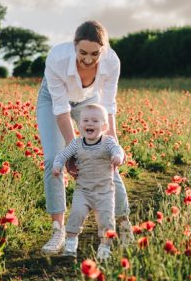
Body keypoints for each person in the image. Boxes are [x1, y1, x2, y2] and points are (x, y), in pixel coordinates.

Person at [37, 20, 133, 256]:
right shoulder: (57, 59)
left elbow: (109, 105)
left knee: (107, 157)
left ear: (104, 49)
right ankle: (58, 229)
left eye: (94, 54)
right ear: (74, 46)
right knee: (53, 159)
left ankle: (123, 224)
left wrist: (113, 143)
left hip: (89, 100)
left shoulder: (112, 62)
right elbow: (61, 109)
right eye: (82, 53)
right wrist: (72, 151)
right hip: (52, 99)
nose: (88, 59)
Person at [52, 103, 125, 260]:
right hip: (83, 190)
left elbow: (118, 149)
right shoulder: (76, 144)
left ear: (104, 126)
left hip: (104, 191)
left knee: (106, 220)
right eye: (85, 120)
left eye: (95, 121)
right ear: (79, 125)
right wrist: (58, 165)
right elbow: (62, 155)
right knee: (76, 215)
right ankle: (71, 242)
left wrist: (118, 157)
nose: (89, 124)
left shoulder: (108, 142)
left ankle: (105, 246)